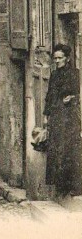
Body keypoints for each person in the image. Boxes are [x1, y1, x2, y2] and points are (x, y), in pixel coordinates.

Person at [43, 43, 82, 197]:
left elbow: (78, 94)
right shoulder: (54, 75)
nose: (57, 61)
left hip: (69, 117)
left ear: (67, 59)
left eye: (60, 58)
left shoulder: (75, 74)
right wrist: (46, 117)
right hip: (56, 117)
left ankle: (72, 187)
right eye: (55, 58)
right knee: (56, 151)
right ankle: (60, 186)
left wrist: (72, 98)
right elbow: (49, 96)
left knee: (68, 150)